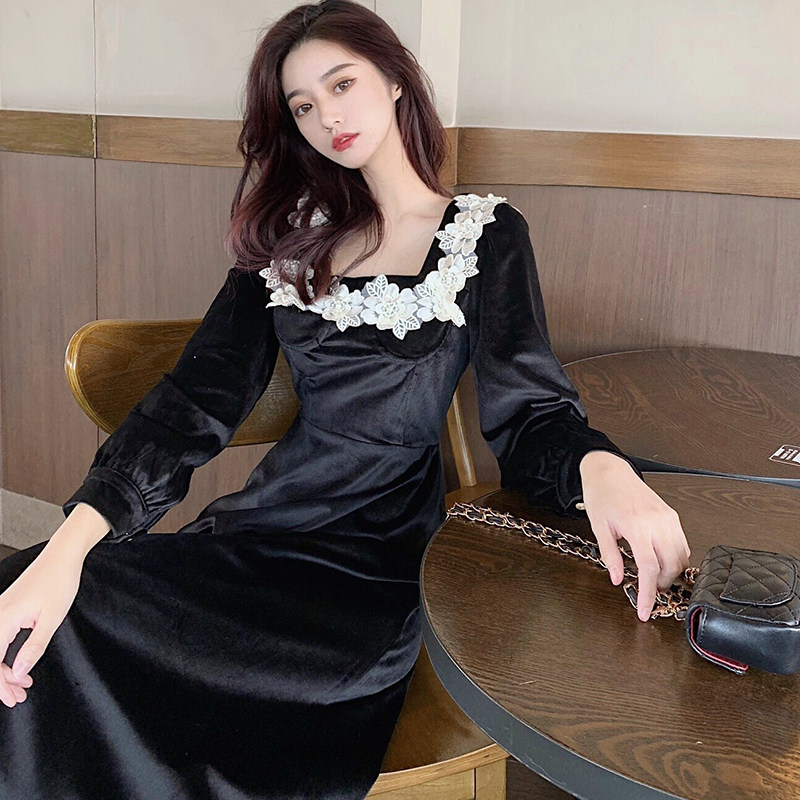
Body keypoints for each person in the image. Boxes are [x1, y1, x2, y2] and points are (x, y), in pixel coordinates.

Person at [0, 1, 690, 797]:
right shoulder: (286, 242)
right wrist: (66, 550)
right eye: (302, 105)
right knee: (29, 599)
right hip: (260, 537)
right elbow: (191, 404)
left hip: (371, 573)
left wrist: (603, 470)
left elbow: (531, 417)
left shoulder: (482, 234)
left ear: (394, 79)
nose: (327, 117)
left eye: (341, 84)